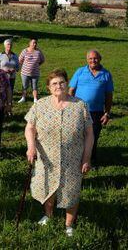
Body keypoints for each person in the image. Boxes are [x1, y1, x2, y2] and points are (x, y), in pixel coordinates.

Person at [24, 68, 94, 237]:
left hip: (73, 159)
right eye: (54, 83)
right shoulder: (40, 105)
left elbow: (90, 134)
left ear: (67, 83)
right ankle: (48, 215)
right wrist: (31, 146)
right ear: (48, 87)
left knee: (71, 190)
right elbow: (30, 128)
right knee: (48, 188)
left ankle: (69, 225)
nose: (58, 86)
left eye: (61, 82)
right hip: (46, 158)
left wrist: (86, 157)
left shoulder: (80, 105)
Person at [69, 50, 114, 166]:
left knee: (92, 137)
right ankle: (75, 159)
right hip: (79, 110)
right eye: (90, 58)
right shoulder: (80, 72)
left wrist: (107, 113)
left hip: (96, 112)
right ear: (87, 60)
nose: (93, 61)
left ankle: (90, 160)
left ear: (100, 59)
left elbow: (109, 95)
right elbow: (71, 90)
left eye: (95, 58)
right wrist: (69, 107)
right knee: (77, 135)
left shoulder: (106, 74)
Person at [18, 38, 45, 103]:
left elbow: (42, 60)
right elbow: (20, 60)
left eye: (36, 43)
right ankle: (23, 97)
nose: (35, 44)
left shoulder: (38, 52)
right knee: (24, 86)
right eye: (33, 43)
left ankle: (35, 99)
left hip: (35, 73)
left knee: (34, 86)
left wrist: (36, 65)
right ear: (29, 43)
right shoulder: (24, 51)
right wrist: (26, 66)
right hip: (25, 73)